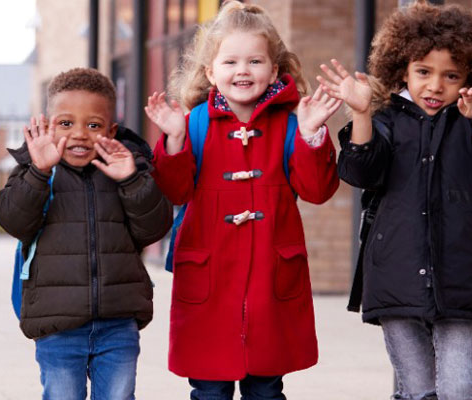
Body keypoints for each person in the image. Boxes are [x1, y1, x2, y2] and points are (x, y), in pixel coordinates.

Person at [318, 3, 472, 399]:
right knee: (415, 390)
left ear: (471, 77)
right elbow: (360, 173)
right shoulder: (384, 120)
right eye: (423, 72)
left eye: (451, 76)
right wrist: (361, 114)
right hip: (395, 276)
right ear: (402, 70)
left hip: (464, 276)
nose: (435, 86)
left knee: (459, 389)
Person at [144, 1, 343, 398]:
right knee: (209, 390)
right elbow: (176, 192)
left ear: (274, 70)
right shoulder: (193, 124)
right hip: (209, 282)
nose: (242, 71)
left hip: (271, 281)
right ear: (209, 71)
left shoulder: (290, 124)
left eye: (255, 61)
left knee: (266, 389)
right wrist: (175, 140)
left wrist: (310, 136)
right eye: (230, 62)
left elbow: (317, 191)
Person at [0, 67, 172, 399]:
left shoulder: (130, 167)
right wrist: (38, 172)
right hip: (57, 323)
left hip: (118, 320)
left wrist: (131, 180)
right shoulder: (34, 169)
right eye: (65, 123)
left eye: (93, 125)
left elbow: (154, 228)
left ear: (112, 130)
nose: (79, 134)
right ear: (48, 126)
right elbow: (13, 222)